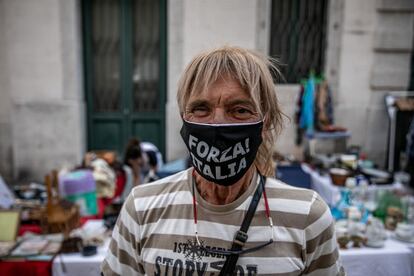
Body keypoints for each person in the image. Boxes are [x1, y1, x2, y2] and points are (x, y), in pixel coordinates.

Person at [102, 46, 344, 275]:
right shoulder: (142, 207)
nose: (217, 124)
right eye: (201, 109)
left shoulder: (307, 216)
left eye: (239, 110)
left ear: (265, 123)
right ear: (183, 117)